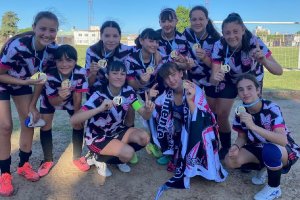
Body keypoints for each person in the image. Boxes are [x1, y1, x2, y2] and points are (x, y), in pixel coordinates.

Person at [0, 11, 59, 196]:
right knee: (5, 126)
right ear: (34, 27)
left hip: (25, 82)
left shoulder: (52, 50)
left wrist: (33, 105)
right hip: (3, 81)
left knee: (30, 120)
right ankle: (4, 174)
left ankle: (23, 165)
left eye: (52, 30)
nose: (47, 34)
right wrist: (26, 82)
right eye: (42, 29)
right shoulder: (17, 45)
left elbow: (41, 79)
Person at [149, 62, 227, 199]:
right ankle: (172, 151)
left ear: (180, 73)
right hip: (181, 128)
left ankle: (198, 162)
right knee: (161, 118)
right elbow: (152, 115)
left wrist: (190, 101)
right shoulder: (167, 94)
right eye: (167, 78)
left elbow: (201, 118)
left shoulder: (193, 88)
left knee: (195, 128)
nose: (171, 80)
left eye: (173, 75)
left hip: (200, 129)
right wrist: (149, 100)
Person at [210, 13, 283, 159]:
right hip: (230, 79)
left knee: (254, 115)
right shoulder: (219, 45)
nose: (231, 36)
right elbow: (213, 78)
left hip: (252, 79)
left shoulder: (255, 42)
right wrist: (216, 78)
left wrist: (264, 61)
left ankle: (254, 149)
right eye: (227, 33)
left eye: (235, 31)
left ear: (243, 30)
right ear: (223, 34)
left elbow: (278, 71)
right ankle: (226, 147)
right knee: (222, 114)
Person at [70, 61, 154, 177]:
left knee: (144, 138)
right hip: (97, 137)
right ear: (107, 75)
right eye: (115, 73)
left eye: (122, 74)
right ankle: (97, 158)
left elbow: (143, 114)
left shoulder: (128, 92)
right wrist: (99, 109)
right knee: (128, 153)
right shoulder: (98, 95)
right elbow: (74, 120)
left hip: (116, 131)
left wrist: (148, 110)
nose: (119, 77)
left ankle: (116, 156)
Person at [224, 74, 299, 200]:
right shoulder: (240, 111)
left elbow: (282, 140)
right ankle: (265, 167)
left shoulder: (271, 108)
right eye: (241, 89)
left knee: (270, 150)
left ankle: (274, 188)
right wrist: (236, 146)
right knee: (230, 160)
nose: (245, 92)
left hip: (282, 148)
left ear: (258, 90)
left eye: (249, 88)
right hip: (258, 147)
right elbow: (242, 137)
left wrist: (253, 126)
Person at [37, 44, 90, 177]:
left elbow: (78, 96)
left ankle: (77, 157)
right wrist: (60, 97)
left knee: (78, 123)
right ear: (55, 61)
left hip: (72, 98)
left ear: (76, 61)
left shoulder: (81, 72)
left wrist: (77, 115)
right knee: (45, 125)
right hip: (51, 98)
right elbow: (52, 102)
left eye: (69, 60)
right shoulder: (49, 75)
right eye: (60, 60)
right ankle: (47, 160)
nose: (64, 64)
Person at [125, 28, 163, 159]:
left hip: (151, 90)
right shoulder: (131, 59)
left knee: (155, 111)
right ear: (141, 41)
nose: (154, 44)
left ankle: (154, 143)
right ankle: (129, 148)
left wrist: (159, 63)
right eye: (151, 41)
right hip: (133, 91)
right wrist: (141, 81)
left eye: (157, 41)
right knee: (130, 112)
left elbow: (162, 77)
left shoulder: (158, 56)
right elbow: (130, 86)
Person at [183, 5, 220, 91]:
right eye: (194, 19)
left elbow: (217, 66)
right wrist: (185, 63)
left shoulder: (215, 39)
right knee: (192, 103)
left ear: (207, 20)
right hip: (192, 78)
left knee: (211, 105)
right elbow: (182, 54)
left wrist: (204, 58)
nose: (197, 22)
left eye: (201, 19)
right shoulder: (187, 33)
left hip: (211, 78)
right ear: (190, 21)